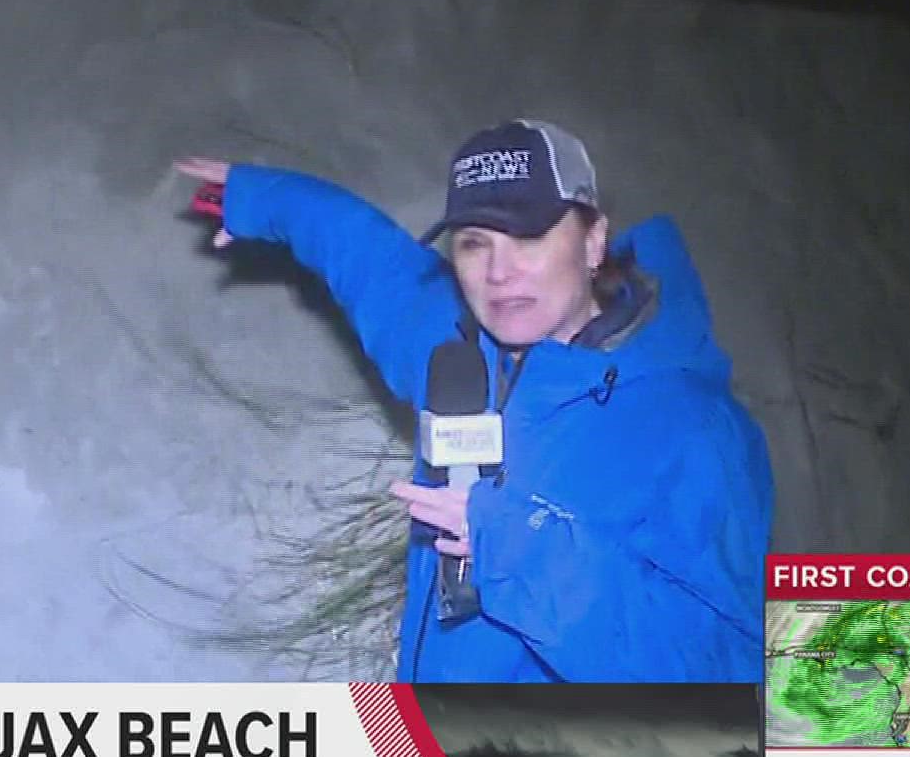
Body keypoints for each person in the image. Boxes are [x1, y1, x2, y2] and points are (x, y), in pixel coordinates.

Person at [175, 118, 773, 683]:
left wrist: (520, 551)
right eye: (474, 242)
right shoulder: (456, 349)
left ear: (593, 241)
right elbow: (368, 260)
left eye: (531, 236)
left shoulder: (699, 431)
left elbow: (729, 673)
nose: (498, 272)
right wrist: (269, 198)